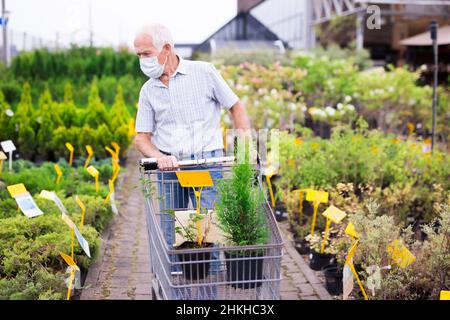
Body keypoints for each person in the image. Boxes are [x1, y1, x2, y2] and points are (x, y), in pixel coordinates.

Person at [133, 23, 251, 294]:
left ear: (166, 49)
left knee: (208, 237)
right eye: (138, 55)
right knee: (173, 235)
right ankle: (174, 296)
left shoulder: (204, 72)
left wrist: (243, 143)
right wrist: (159, 156)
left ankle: (207, 300)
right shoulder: (148, 90)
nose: (142, 60)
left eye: (146, 53)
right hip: (169, 169)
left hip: (207, 163)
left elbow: (235, 105)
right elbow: (141, 138)